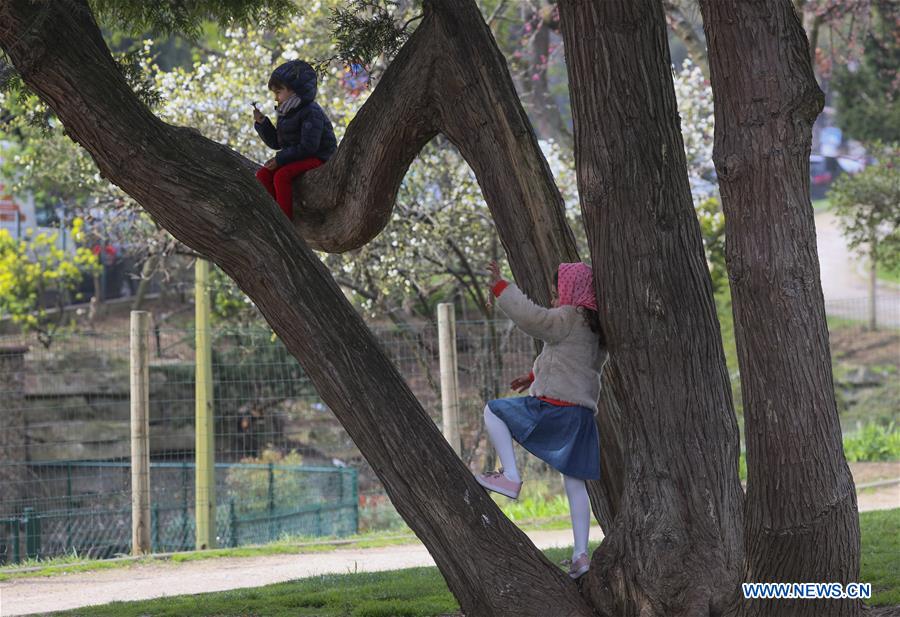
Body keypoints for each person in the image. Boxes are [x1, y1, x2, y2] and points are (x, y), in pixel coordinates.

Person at [477, 260, 608, 579]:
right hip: (580, 415)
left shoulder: (568, 315)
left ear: (572, 290)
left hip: (554, 407)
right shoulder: (595, 327)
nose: (553, 300)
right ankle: (581, 556)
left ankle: (509, 476)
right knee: (575, 483)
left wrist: (501, 288)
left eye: (556, 293)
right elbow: (570, 358)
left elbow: (533, 319)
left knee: (493, 410)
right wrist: (534, 374)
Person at [253, 59, 338, 220]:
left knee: (281, 176)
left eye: (278, 92)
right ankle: (274, 213)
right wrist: (263, 124)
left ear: (295, 91)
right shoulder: (286, 112)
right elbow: (278, 143)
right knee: (263, 174)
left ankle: (285, 222)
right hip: (298, 156)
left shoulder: (311, 111)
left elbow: (309, 147)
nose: (276, 98)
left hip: (318, 157)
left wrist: (280, 160)